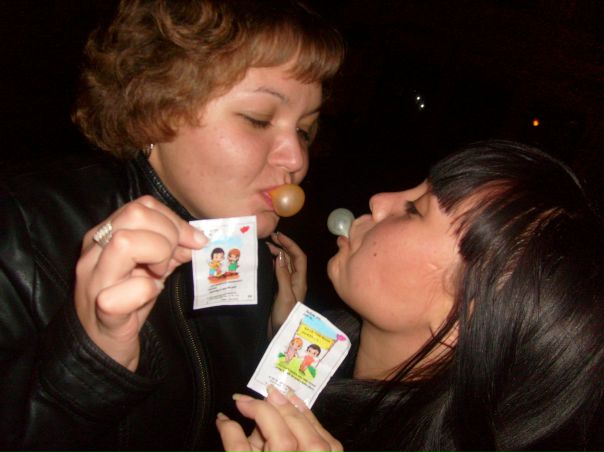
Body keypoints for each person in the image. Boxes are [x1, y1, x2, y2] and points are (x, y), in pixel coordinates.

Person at [0, 0, 344, 450]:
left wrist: (276, 340)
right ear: (157, 109)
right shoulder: (20, 226)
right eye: (258, 119)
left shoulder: (255, 252)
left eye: (304, 129)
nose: (296, 159)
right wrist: (90, 358)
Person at [216, 140, 604, 451]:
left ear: (466, 319)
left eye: (415, 210)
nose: (379, 201)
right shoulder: (339, 365)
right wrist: (279, 333)